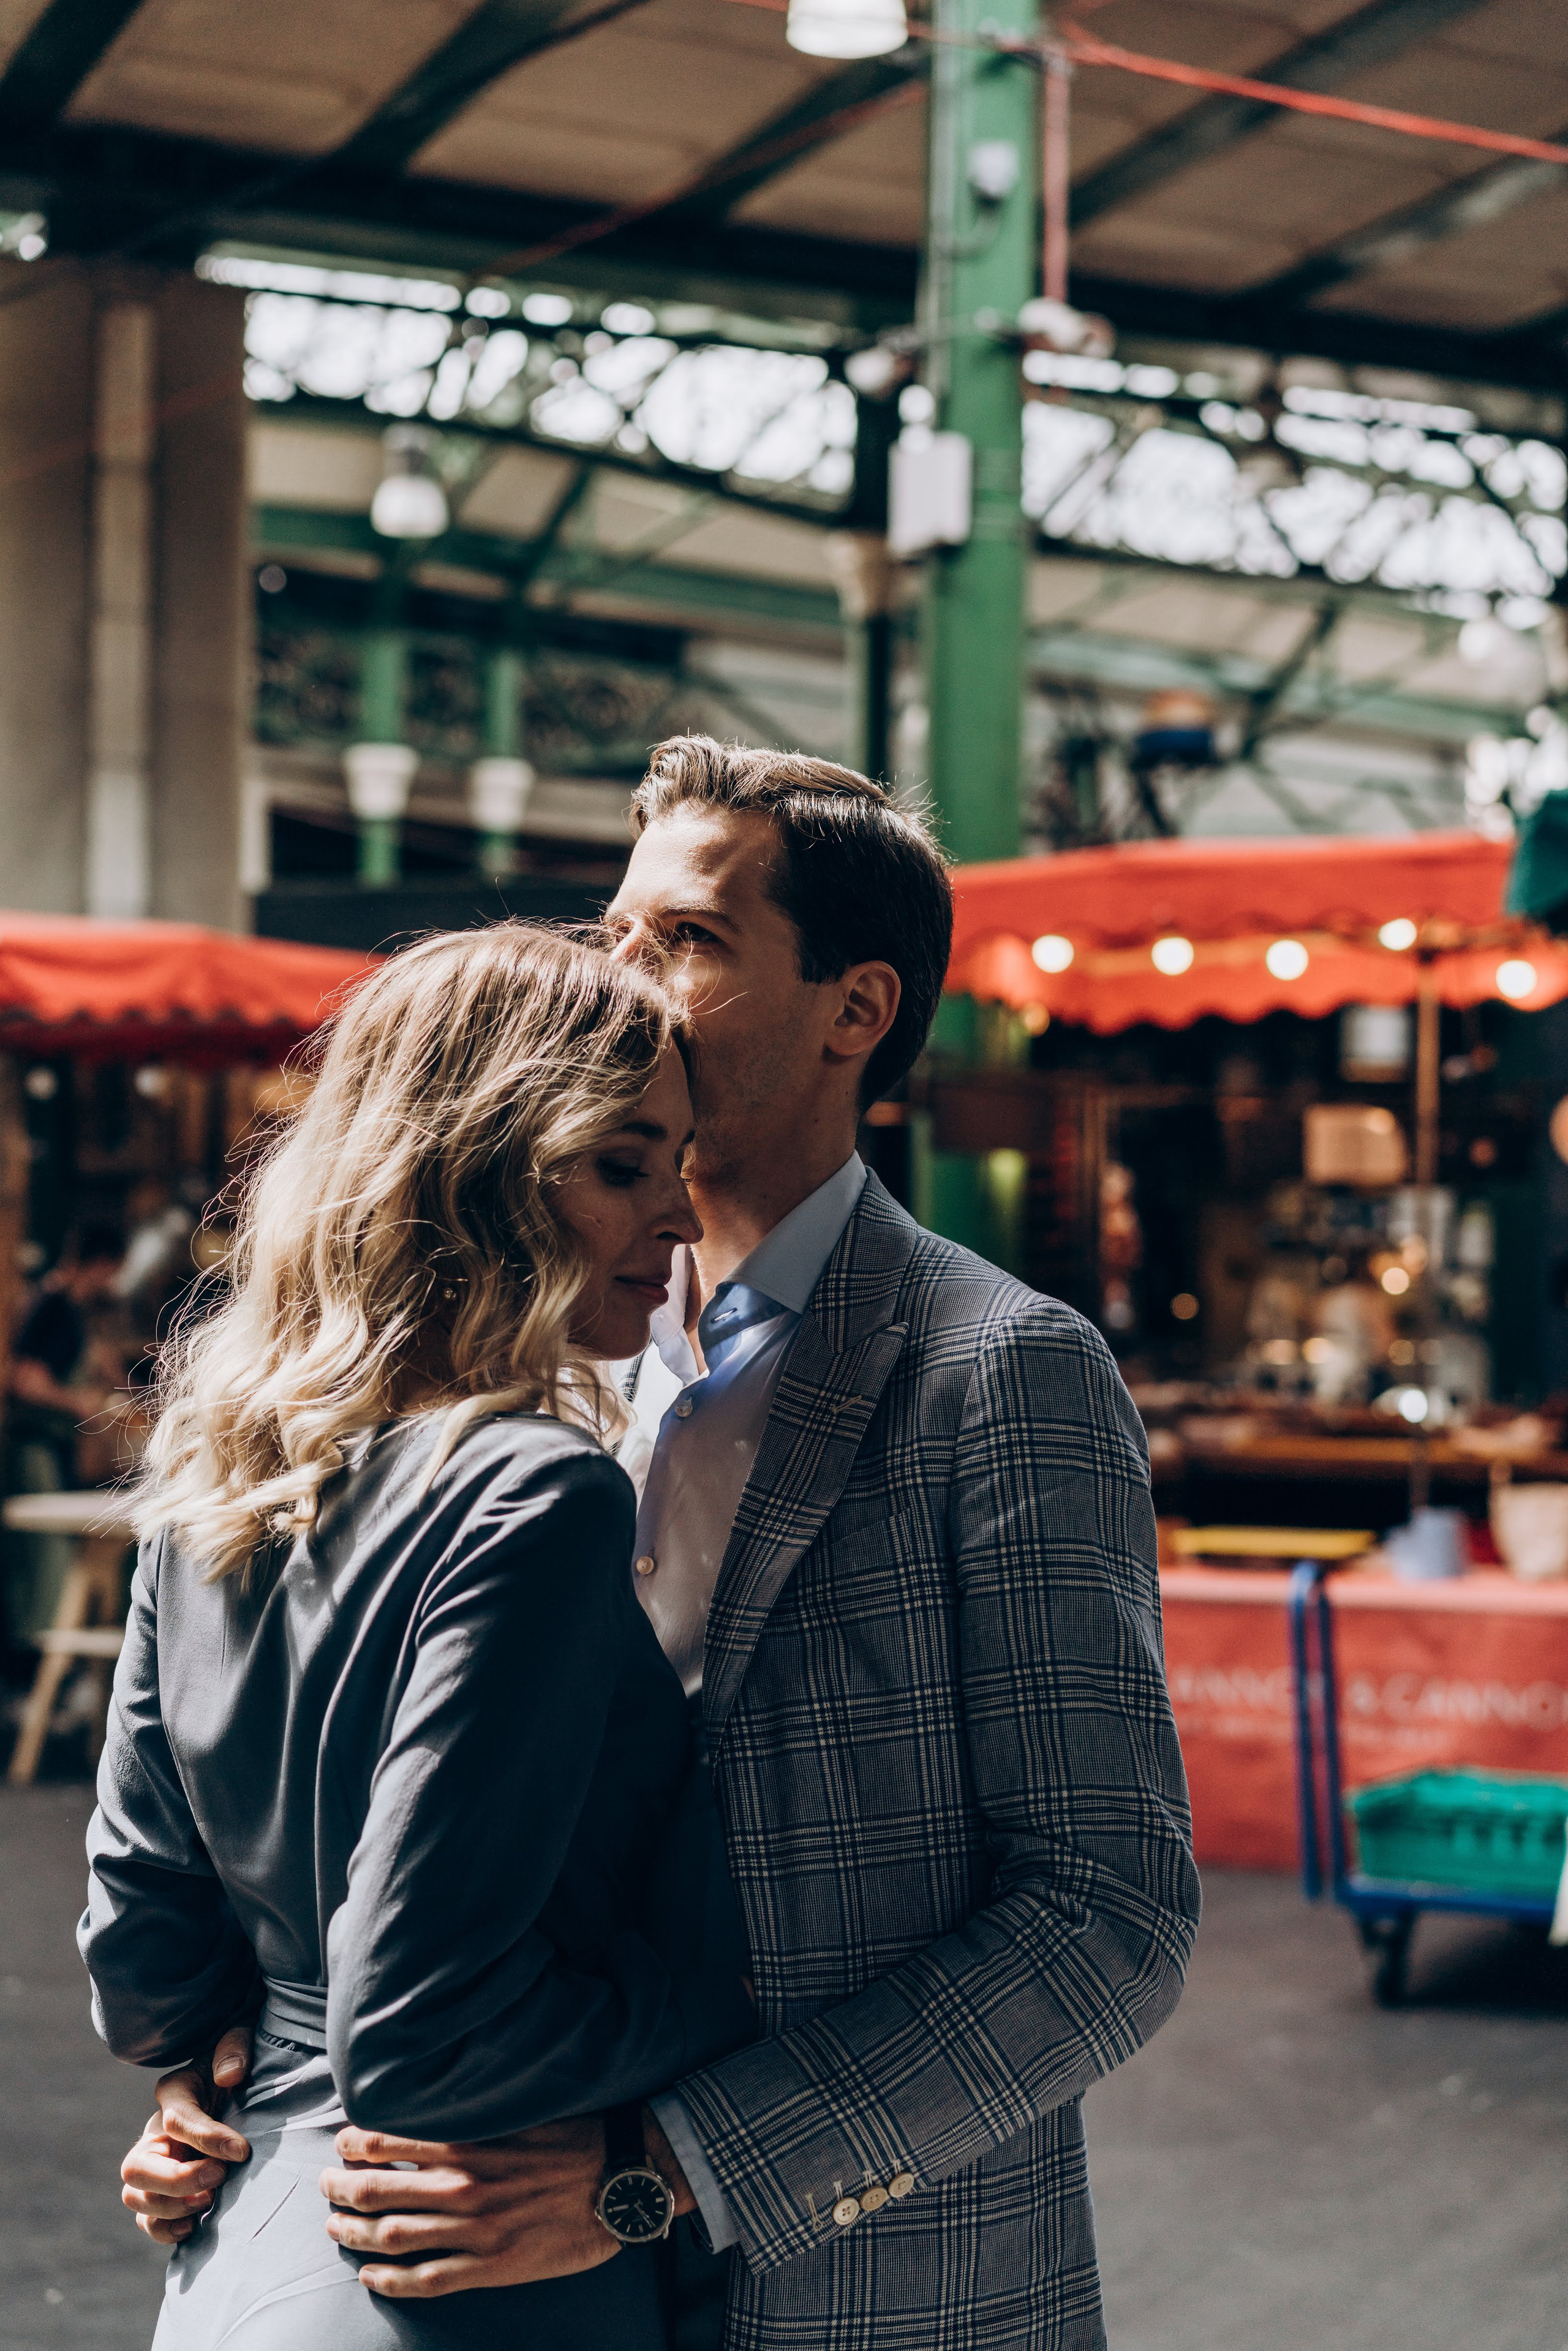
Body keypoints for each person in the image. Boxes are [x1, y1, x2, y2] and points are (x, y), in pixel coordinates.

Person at [123, 739, 1200, 2351]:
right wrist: (232, 2075)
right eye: (614, 929)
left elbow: (1109, 1913)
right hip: (491, 2276)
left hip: (864, 2289)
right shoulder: (531, 1353)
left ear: (858, 1008)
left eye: (684, 938)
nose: (617, 971)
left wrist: (676, 2165)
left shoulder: (1000, 1370)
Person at [83, 923, 755, 2349]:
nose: (679, 1218)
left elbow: (140, 1960)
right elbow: (422, 2025)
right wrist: (720, 2005)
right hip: (469, 2268)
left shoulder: (212, 1477)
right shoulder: (536, 1491)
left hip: (237, 2258)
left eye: (679, 1162)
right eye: (622, 1162)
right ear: (480, 1173)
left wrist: (225, 2070)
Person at [4, 1220, 124, 1662]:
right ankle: (30, 1668)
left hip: (52, 1449)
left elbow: (91, 1357)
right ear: (101, 1264)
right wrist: (78, 1403)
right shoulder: (50, 1305)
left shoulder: (69, 1309)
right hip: (32, 1446)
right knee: (42, 1562)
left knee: (55, 1560)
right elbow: (24, 1379)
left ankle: (49, 1669)